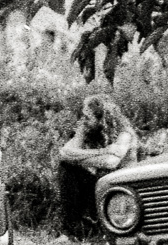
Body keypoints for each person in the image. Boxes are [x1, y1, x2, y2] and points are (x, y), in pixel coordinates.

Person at [57, 94, 137, 237]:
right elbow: (64, 153)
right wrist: (103, 151)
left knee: (71, 164)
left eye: (88, 117)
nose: (84, 121)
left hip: (120, 190)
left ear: (101, 119)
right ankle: (72, 228)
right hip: (100, 184)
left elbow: (110, 163)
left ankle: (94, 227)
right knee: (67, 168)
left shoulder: (124, 134)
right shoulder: (87, 129)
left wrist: (77, 158)